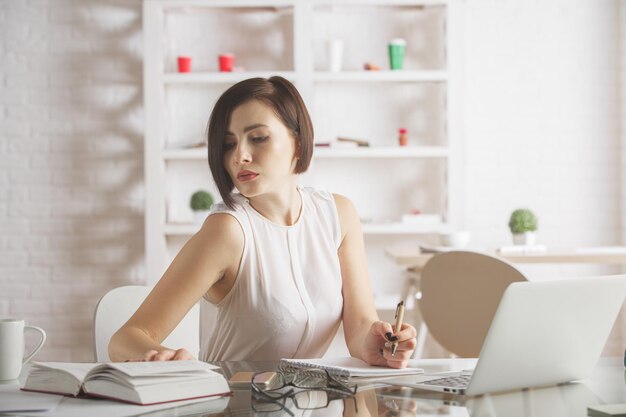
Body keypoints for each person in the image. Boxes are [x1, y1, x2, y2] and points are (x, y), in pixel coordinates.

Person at [109, 76, 417, 368]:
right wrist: (165, 358)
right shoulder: (228, 231)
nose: (239, 155)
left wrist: (379, 343)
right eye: (229, 144)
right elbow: (126, 339)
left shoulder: (339, 215)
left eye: (258, 138)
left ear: (297, 143)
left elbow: (360, 327)